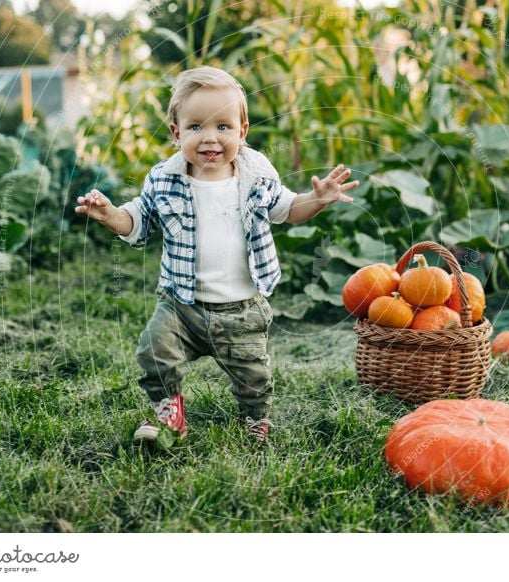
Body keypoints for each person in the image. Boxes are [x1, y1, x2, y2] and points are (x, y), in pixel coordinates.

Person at [75, 66, 358, 443]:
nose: (210, 138)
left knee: (252, 376)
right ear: (177, 133)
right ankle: (169, 412)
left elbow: (287, 209)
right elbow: (137, 221)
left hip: (241, 308)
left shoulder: (255, 175)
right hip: (181, 304)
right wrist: (110, 214)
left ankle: (255, 418)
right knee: (154, 351)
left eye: (223, 127)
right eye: (196, 127)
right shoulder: (163, 178)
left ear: (242, 131)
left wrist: (317, 200)